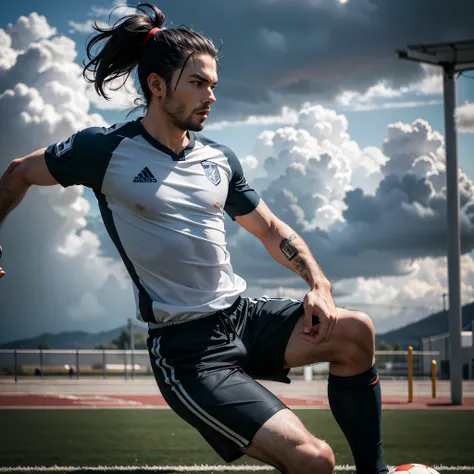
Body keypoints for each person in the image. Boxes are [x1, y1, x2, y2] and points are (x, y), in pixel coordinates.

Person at [0, 4, 388, 473]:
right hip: (188, 351)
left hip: (242, 317)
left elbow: (270, 229)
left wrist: (319, 286)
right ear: (157, 85)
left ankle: (375, 471)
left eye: (214, 86)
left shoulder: (219, 159)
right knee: (314, 460)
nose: (211, 96)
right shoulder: (104, 150)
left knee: (355, 331)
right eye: (198, 83)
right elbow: (19, 172)